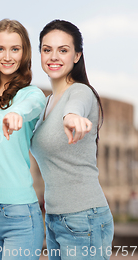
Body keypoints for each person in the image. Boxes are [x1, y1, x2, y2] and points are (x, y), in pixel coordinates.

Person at [31, 19, 114, 260]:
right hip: (56, 219)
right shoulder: (46, 104)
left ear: (77, 56)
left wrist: (72, 116)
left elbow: (76, 107)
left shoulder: (80, 92)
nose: (54, 56)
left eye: (63, 50)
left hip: (83, 218)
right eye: (47, 49)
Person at [0, 19, 46, 260]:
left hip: (20, 214)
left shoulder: (31, 94)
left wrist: (16, 113)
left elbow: (32, 106)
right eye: (0, 49)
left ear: (24, 53)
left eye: (14, 49)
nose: (7, 57)